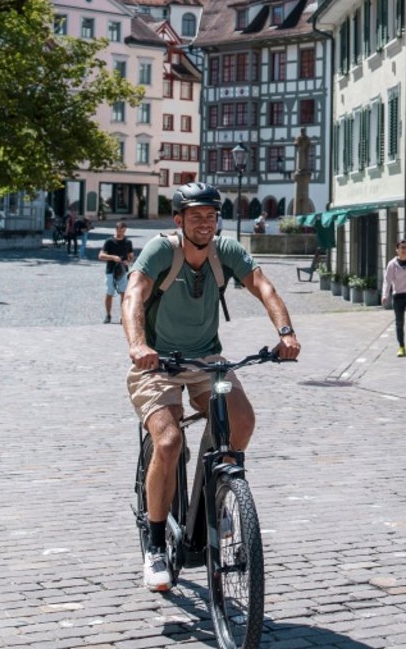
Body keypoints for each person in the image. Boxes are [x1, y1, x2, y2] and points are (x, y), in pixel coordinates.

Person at [124, 181, 302, 593]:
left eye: (211, 216)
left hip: (207, 363)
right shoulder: (161, 251)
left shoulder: (226, 251)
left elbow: (263, 285)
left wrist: (286, 332)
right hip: (158, 364)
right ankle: (154, 547)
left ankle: (215, 493)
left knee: (239, 421)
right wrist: (138, 344)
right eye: (196, 216)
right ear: (179, 220)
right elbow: (134, 295)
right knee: (168, 443)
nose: (205, 223)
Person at [98, 220, 136, 324]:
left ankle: (122, 316)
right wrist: (113, 257)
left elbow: (131, 256)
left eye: (124, 231)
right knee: (109, 293)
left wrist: (128, 261)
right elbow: (100, 256)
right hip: (111, 271)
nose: (122, 233)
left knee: (123, 294)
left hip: (123, 271)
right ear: (116, 230)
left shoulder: (128, 242)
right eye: (120, 231)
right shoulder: (109, 241)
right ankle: (108, 315)